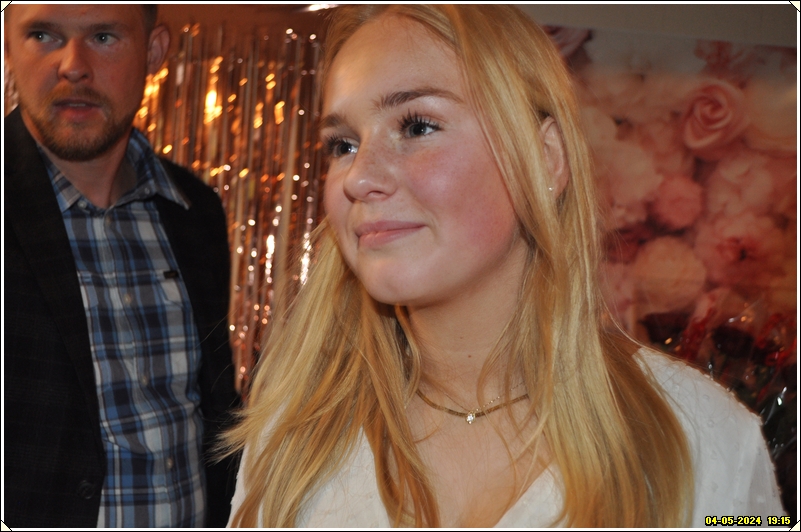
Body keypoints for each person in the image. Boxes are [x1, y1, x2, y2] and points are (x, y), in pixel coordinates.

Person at [221, 4, 785, 527]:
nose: (359, 176)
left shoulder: (709, 440)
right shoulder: (289, 442)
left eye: (416, 126)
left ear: (545, 157)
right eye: (342, 144)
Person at [4, 4, 240, 528]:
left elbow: (216, 413)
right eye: (42, 34)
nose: (73, 66)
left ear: (154, 52)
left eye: (104, 37)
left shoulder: (196, 211)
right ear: (7, 49)